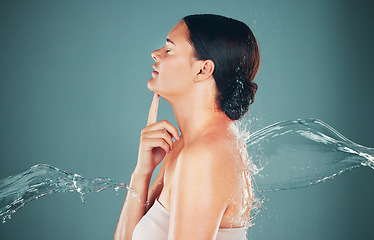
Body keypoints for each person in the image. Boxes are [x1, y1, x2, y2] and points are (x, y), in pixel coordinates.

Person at [114, 13, 260, 240]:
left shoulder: (204, 155)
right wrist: (142, 172)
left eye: (169, 49)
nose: (156, 53)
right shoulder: (185, 145)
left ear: (203, 70)